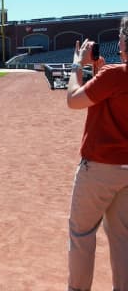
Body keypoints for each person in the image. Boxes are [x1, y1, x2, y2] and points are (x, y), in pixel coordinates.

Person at [66, 16, 128, 291]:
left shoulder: (114, 74)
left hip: (100, 168)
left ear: (124, 42)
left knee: (82, 234)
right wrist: (98, 71)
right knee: (122, 239)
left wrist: (77, 65)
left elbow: (74, 100)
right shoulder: (112, 74)